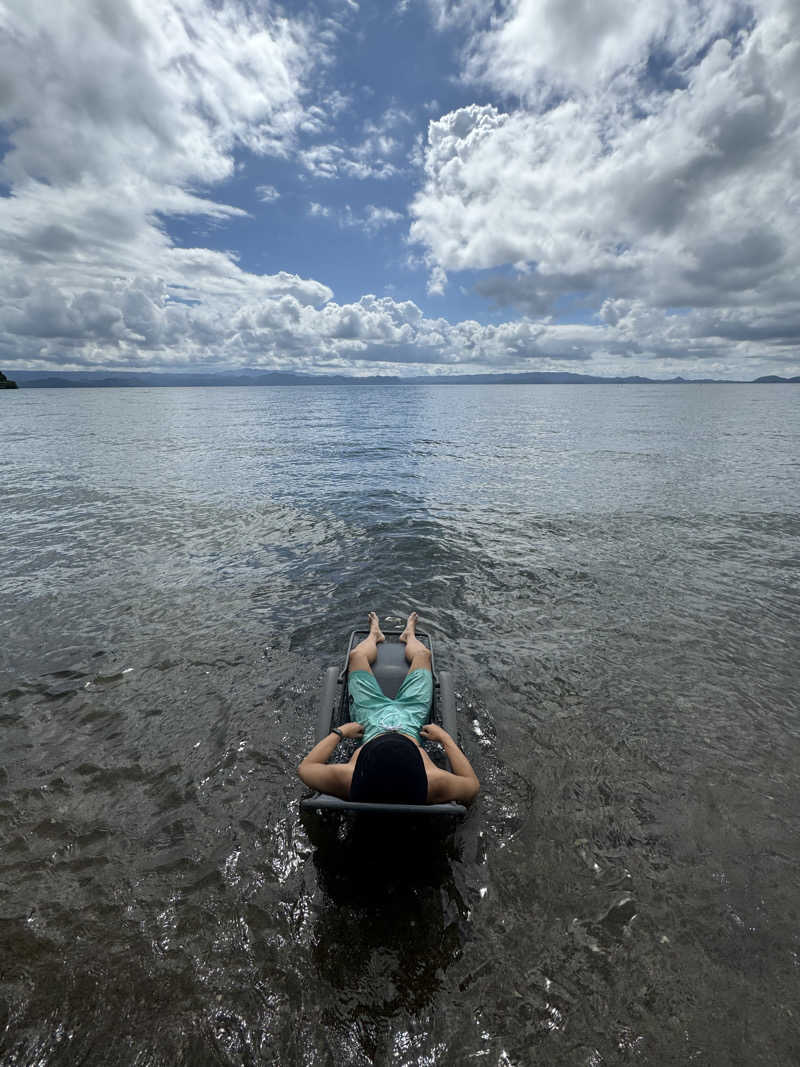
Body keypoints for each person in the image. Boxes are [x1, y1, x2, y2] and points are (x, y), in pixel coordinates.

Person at [298, 612, 480, 805]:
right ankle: (409, 635)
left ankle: (374, 635)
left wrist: (340, 731)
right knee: (423, 655)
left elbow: (305, 768)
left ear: (359, 765)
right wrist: (444, 738)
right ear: (421, 767)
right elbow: (472, 784)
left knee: (357, 656)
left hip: (369, 722)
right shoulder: (432, 783)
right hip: (411, 721)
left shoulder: (349, 780)